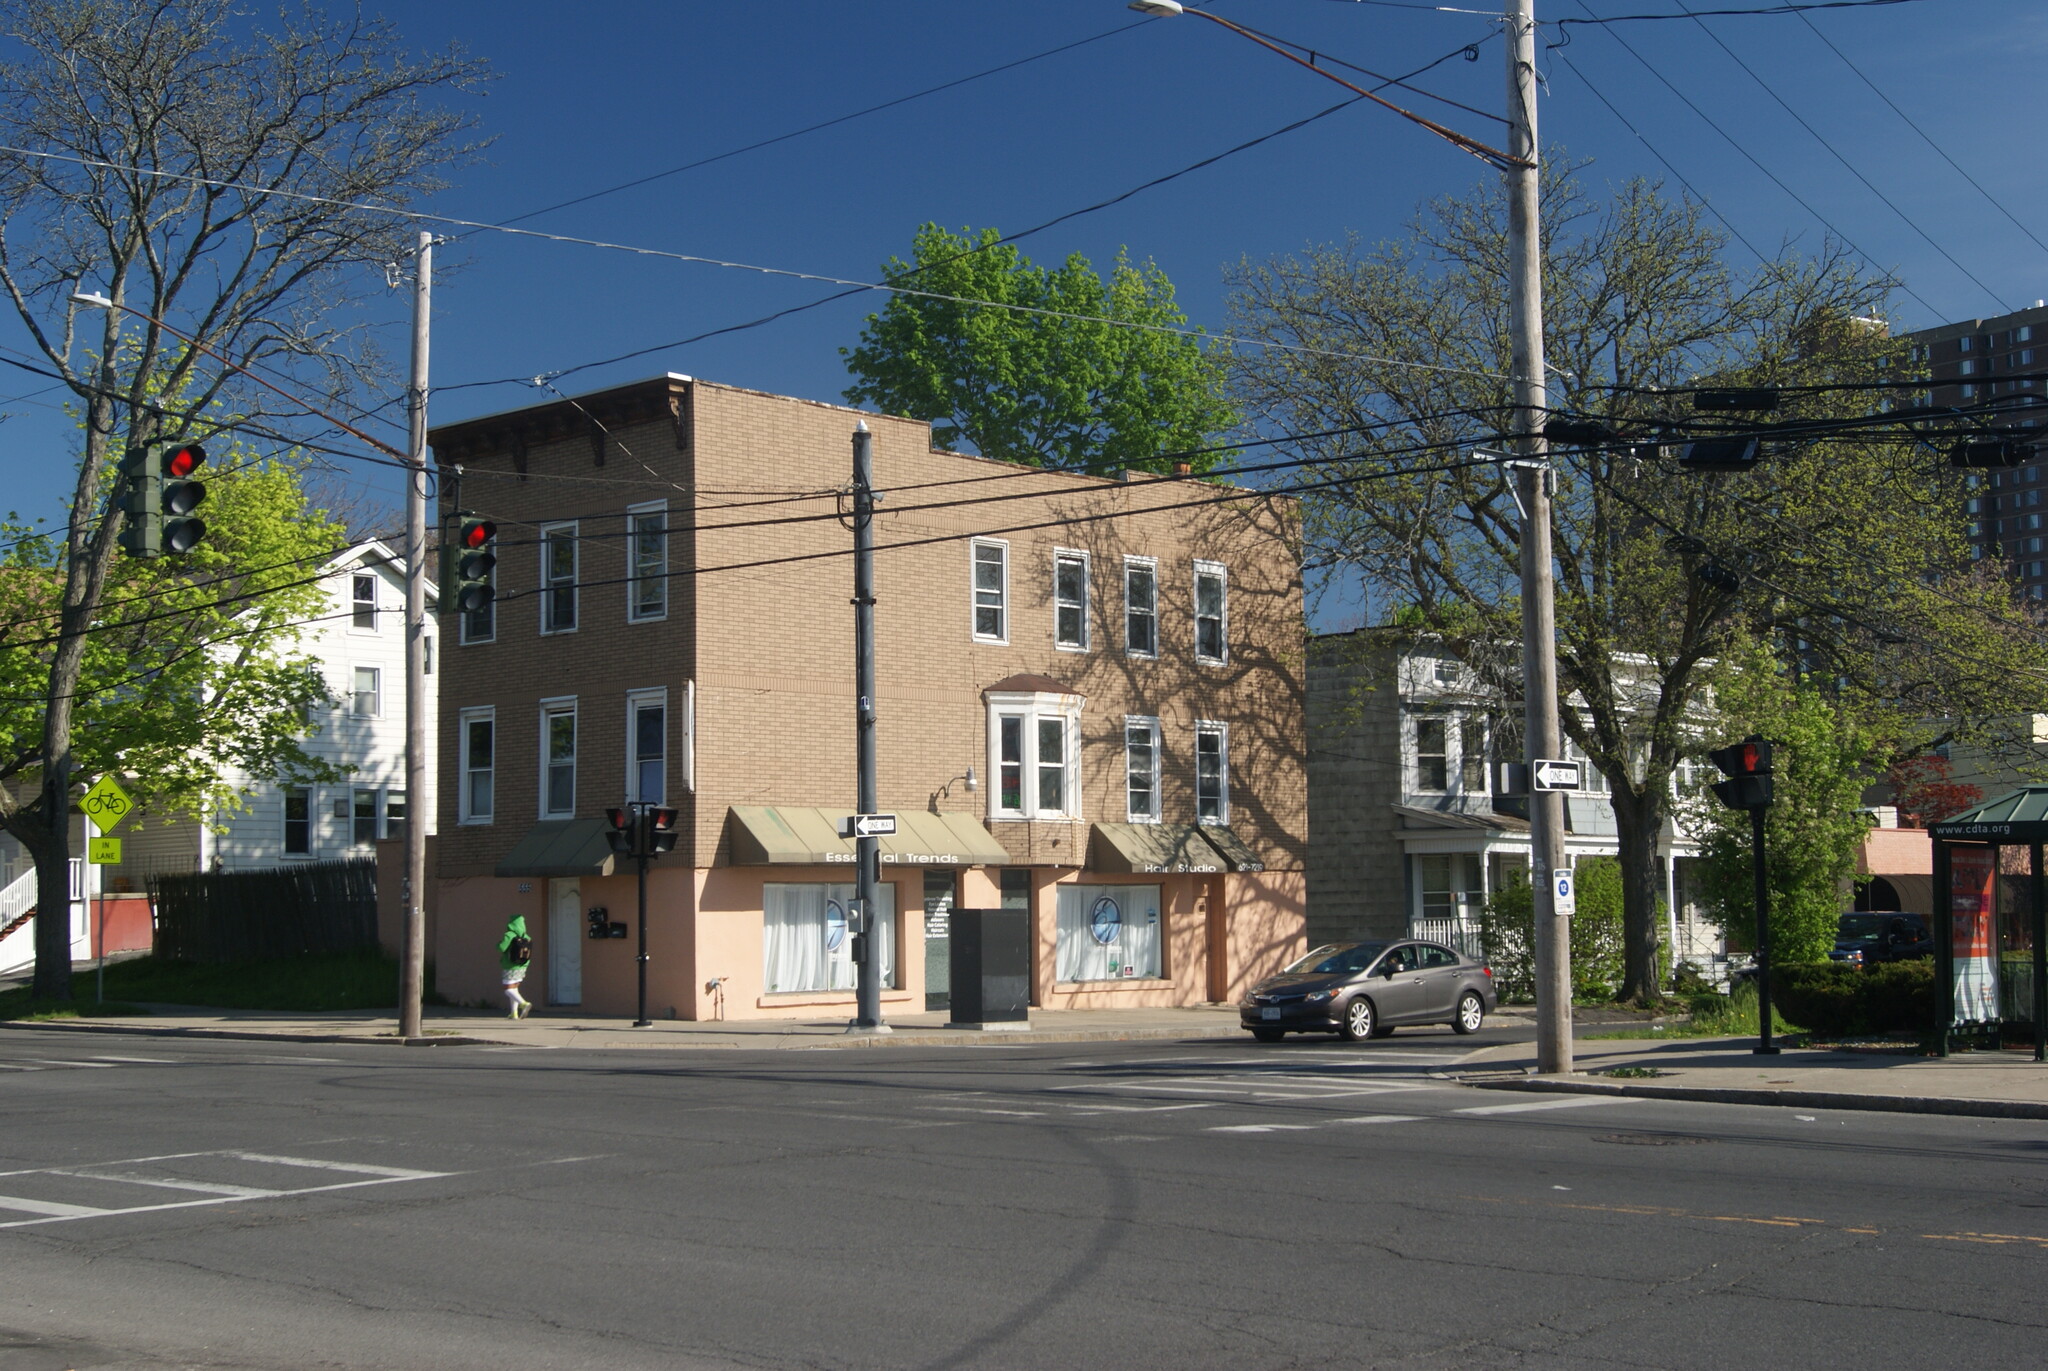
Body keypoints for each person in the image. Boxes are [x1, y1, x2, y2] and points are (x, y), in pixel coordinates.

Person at [499, 913, 532, 1019]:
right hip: (522, 965)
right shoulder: (526, 936)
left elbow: (501, 948)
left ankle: (523, 1004)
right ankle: (514, 1013)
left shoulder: (509, 935)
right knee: (515, 988)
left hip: (510, 965)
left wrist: (498, 944)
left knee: (507, 989)